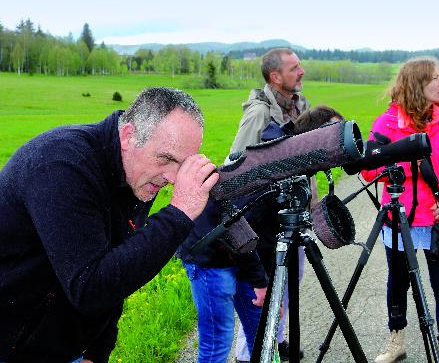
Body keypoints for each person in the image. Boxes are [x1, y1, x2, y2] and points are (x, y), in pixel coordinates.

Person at [0, 87, 219, 363]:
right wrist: (179, 213)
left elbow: (117, 268)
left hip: (61, 349)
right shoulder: (63, 166)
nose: (173, 178)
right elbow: (90, 287)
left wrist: (97, 351)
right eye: (166, 159)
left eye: (182, 164)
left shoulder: (137, 175)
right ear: (128, 136)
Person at [177, 48, 310, 363]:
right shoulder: (259, 113)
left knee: (286, 285)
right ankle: (250, 353)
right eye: (294, 68)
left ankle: (271, 345)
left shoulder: (299, 104)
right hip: (259, 218)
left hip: (288, 211)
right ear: (275, 77)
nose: (301, 71)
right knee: (255, 300)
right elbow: (236, 171)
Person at [362, 57, 439, 363]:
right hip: (399, 220)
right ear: (415, 84)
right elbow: (369, 172)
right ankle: (396, 341)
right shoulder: (386, 123)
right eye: (434, 78)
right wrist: (404, 164)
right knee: (398, 283)